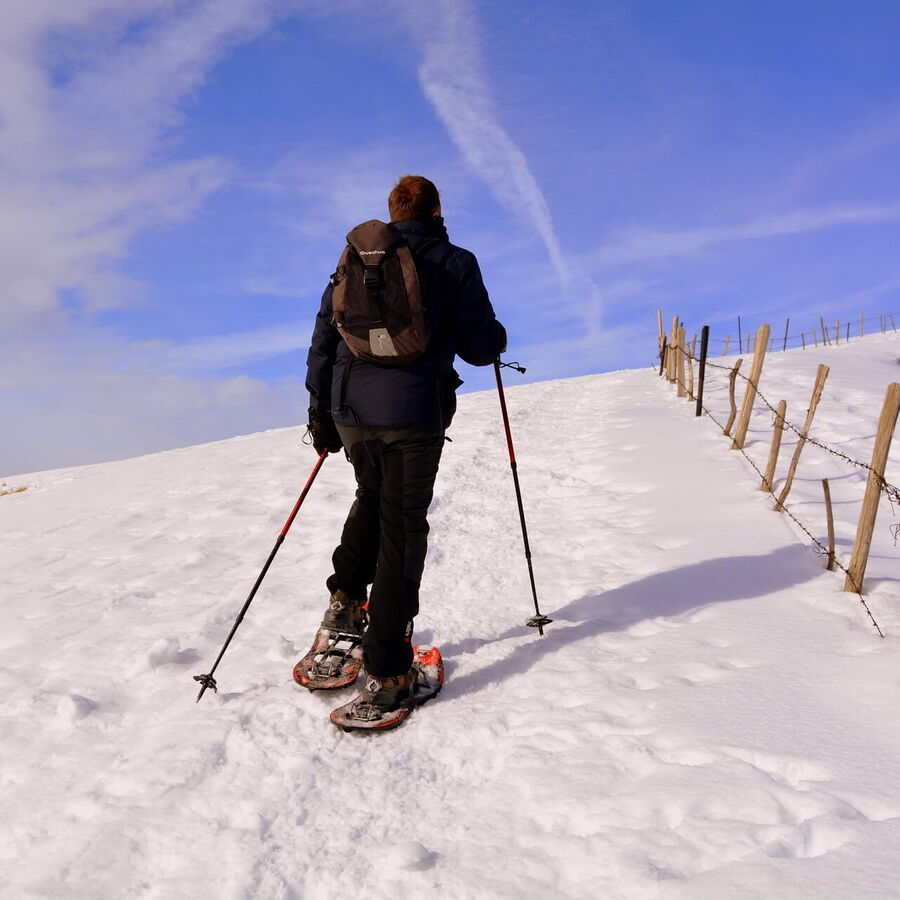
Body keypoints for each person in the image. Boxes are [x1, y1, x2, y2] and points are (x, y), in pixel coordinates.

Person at [304, 174, 506, 716]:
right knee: (401, 527)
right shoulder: (453, 261)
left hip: (351, 410)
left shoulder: (355, 258)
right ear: (437, 210)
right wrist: (496, 334)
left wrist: (319, 409)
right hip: (413, 415)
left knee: (371, 498)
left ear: (393, 212)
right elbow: (482, 347)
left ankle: (345, 605)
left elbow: (325, 334)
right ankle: (389, 670)